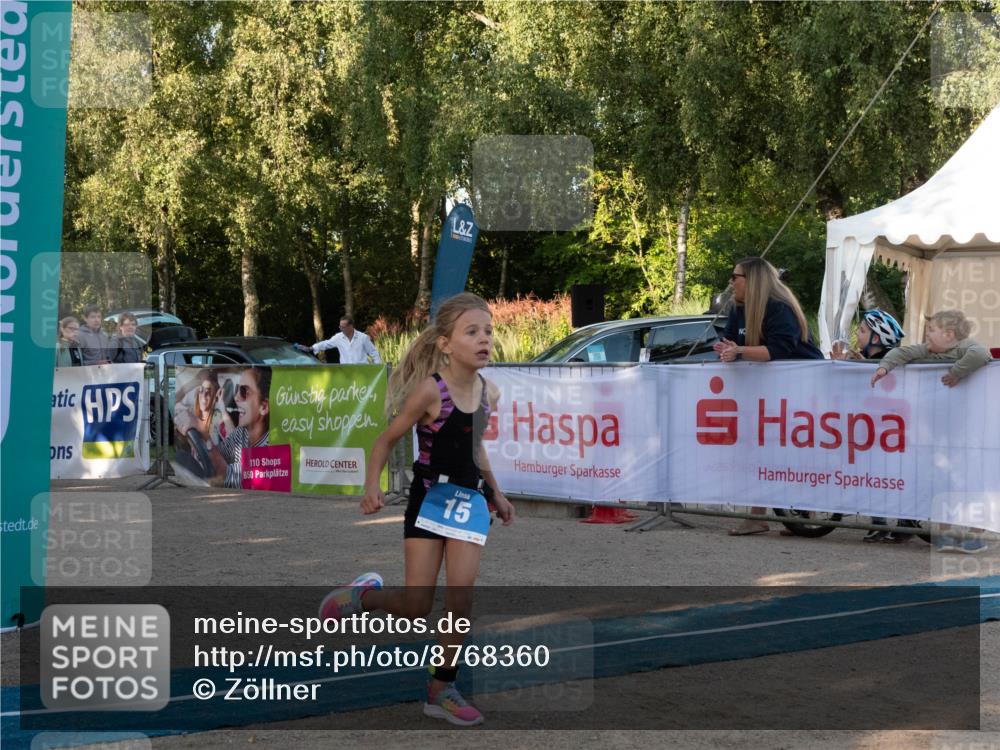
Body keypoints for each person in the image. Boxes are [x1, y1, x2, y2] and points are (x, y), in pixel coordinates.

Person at [317, 293, 515, 727]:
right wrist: (373, 486)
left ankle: (441, 687)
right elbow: (385, 441)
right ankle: (363, 597)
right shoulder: (431, 391)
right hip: (428, 502)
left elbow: (476, 447)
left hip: (469, 503)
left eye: (488, 331)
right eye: (472, 332)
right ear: (445, 344)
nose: (484, 339)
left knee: (460, 599)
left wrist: (496, 493)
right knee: (416, 605)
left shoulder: (488, 392)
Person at [713, 257, 824, 536]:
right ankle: (759, 515)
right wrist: (726, 350)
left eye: (735, 276)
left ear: (752, 280)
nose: (731, 282)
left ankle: (803, 515)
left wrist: (739, 351)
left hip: (804, 390)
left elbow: (778, 350)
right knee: (761, 449)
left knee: (793, 451)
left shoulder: (779, 307)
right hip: (767, 393)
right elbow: (730, 342)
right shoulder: (738, 308)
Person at [871, 309, 992, 554]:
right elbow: (902, 352)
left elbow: (981, 354)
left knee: (969, 485)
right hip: (942, 432)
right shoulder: (928, 350)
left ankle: (976, 536)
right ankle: (946, 535)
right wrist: (884, 367)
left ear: (949, 334)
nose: (926, 336)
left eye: (931, 331)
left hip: (967, 432)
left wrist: (956, 372)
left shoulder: (965, 347)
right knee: (944, 482)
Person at [831, 309, 919, 542]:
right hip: (870, 431)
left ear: (876, 338)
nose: (856, 334)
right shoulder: (860, 357)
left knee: (892, 476)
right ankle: (880, 522)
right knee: (872, 476)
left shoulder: (895, 360)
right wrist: (840, 365)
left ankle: (902, 522)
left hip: (892, 433)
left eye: (861, 331)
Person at [210, 367, 271, 489]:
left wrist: (199, 430)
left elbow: (232, 476)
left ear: (263, 407)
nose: (236, 397)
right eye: (237, 389)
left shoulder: (271, 445)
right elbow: (219, 454)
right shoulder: (242, 432)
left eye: (244, 392)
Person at [174, 370, 223, 479]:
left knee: (180, 457)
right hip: (194, 472)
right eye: (201, 390)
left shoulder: (219, 419)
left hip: (211, 474)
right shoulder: (193, 413)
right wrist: (196, 381)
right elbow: (174, 401)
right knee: (179, 456)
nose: (204, 395)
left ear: (215, 396)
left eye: (208, 392)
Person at [304, 315, 382, 364]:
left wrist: (378, 369)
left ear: (350, 326)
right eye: (340, 326)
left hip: (362, 372)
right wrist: (311, 348)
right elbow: (326, 344)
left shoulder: (363, 337)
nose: (341, 329)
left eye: (343, 327)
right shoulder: (338, 337)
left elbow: (374, 353)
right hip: (345, 372)